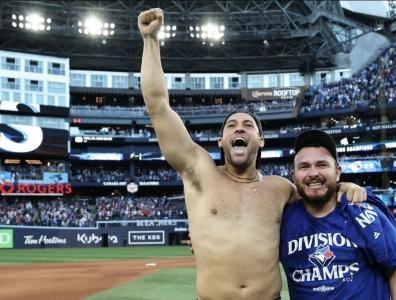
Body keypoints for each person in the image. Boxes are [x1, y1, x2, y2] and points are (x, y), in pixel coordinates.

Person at [137, 8, 366, 300]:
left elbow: (319, 200)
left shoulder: (282, 189)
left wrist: (343, 186)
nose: (239, 128)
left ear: (261, 141)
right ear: (221, 141)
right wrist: (150, 40)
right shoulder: (199, 172)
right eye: (231, 125)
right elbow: (158, 106)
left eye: (248, 125)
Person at [280, 129, 396, 299]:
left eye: (322, 165)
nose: (313, 173)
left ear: (337, 172)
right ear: (293, 176)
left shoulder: (366, 214)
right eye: (304, 166)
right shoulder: (283, 222)